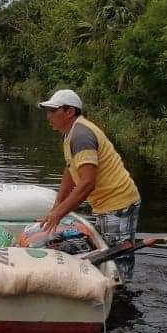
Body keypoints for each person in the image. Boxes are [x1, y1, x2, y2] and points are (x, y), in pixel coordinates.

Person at [37, 89, 142, 279]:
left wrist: (59, 214)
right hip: (105, 205)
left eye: (53, 111)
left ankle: (123, 300)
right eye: (48, 111)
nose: (48, 116)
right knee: (108, 255)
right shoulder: (69, 134)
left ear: (69, 112)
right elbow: (70, 170)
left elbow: (86, 184)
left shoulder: (81, 135)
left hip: (118, 204)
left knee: (118, 264)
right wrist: (56, 208)